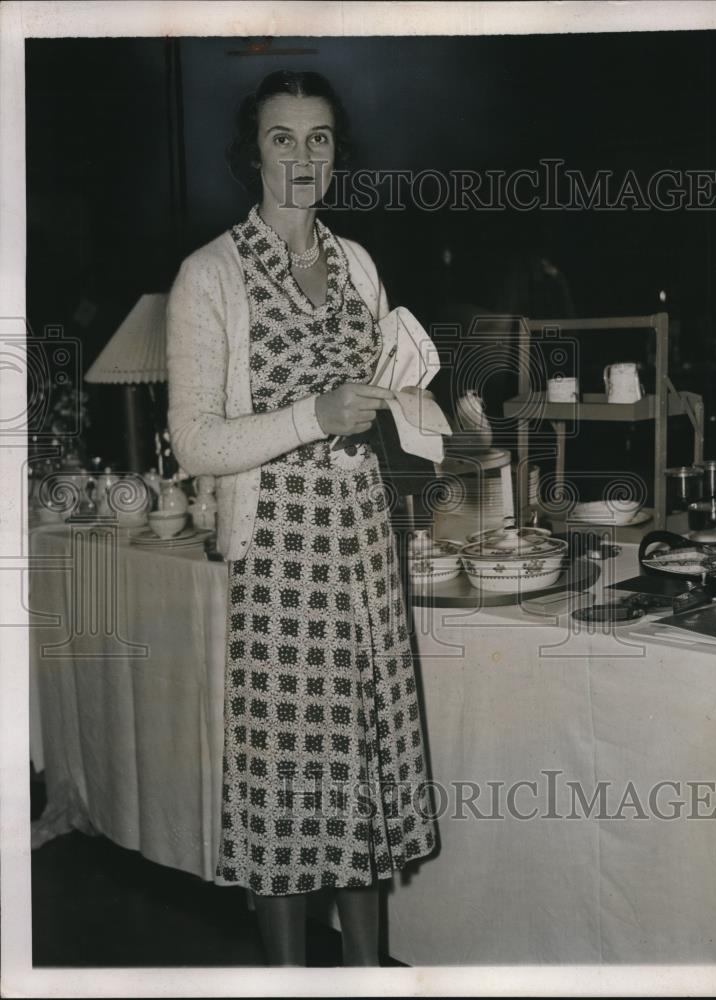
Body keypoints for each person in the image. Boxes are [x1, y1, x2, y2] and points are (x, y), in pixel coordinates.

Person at [166, 70, 437, 967]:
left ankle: (364, 980)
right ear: (252, 152)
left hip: (364, 542)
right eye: (282, 138)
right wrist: (312, 417)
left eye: (317, 139)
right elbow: (197, 443)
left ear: (336, 152)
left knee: (357, 781)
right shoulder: (209, 273)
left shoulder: (357, 262)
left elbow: (378, 394)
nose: (301, 157)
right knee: (290, 794)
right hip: (281, 556)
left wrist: (413, 412)